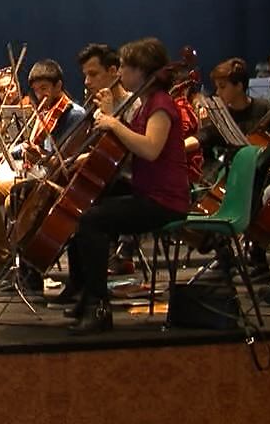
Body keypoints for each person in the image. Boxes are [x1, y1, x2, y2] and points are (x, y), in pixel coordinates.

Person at [65, 39, 190, 334]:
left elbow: (150, 149)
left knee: (92, 221)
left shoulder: (161, 105)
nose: (120, 72)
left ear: (142, 71)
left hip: (164, 200)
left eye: (125, 67)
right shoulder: (147, 103)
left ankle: (99, 307)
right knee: (86, 206)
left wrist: (114, 123)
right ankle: (87, 293)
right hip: (148, 192)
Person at [0, 59, 85, 282]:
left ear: (58, 85)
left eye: (44, 88)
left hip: (53, 183)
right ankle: (3, 260)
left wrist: (40, 157)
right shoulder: (46, 111)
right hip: (36, 177)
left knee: (12, 200)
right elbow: (28, 146)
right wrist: (7, 152)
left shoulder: (73, 115)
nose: (40, 95)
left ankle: (28, 270)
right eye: (36, 90)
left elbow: (66, 162)